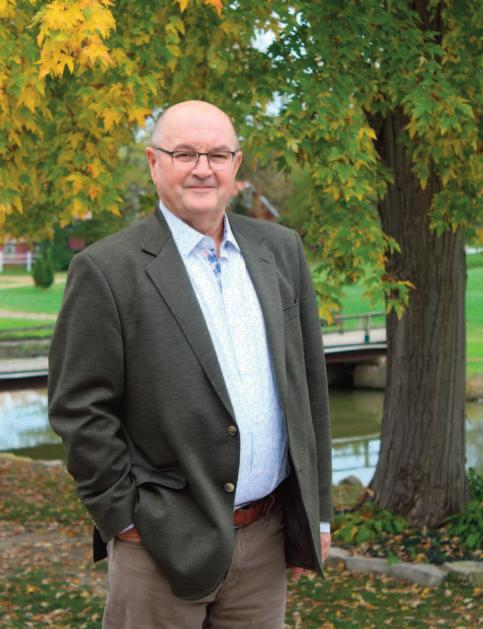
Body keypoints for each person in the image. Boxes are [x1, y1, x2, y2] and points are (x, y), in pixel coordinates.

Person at [48, 100, 332, 629]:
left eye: (218, 154)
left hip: (266, 539)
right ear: (154, 162)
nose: (203, 168)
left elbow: (308, 390)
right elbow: (79, 410)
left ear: (236, 165)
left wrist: (316, 513)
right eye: (184, 154)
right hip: (159, 544)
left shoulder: (281, 250)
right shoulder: (106, 269)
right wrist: (122, 518)